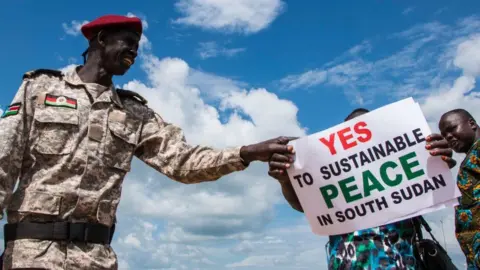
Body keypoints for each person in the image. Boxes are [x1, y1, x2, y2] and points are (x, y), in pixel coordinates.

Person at [0, 14, 296, 269]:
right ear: (101, 39)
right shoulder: (40, 88)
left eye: (138, 47)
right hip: (31, 255)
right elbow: (3, 161)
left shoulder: (135, 113)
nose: (134, 52)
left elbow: (183, 162)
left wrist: (246, 153)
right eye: (128, 42)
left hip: (96, 259)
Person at [268, 108, 457, 269]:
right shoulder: (330, 173)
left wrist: (435, 163)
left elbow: (430, 189)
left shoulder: (399, 163)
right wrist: (285, 181)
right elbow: (303, 206)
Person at [439, 108, 480, 269]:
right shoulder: (471, 159)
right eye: (443, 134)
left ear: (472, 124)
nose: (448, 136)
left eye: (452, 129)